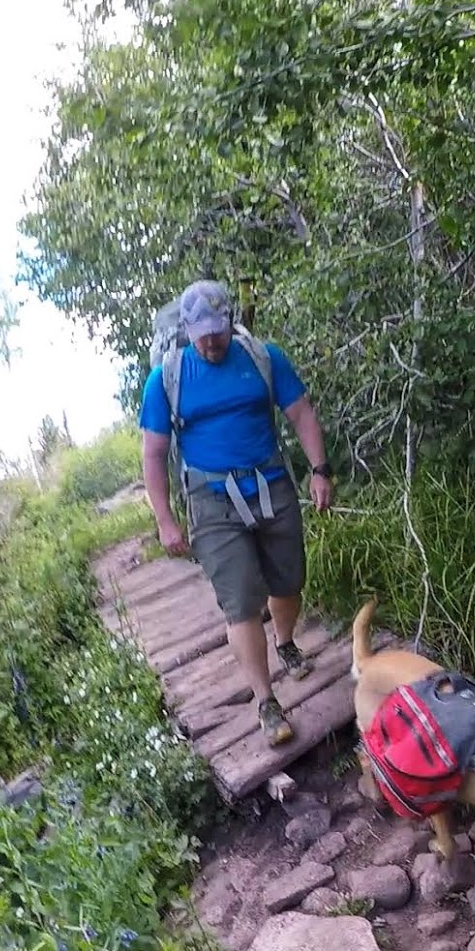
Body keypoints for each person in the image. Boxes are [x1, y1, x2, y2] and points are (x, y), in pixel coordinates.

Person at [139, 279, 336, 747]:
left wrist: (320, 469)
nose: (210, 340)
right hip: (211, 500)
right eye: (200, 331)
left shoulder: (262, 357)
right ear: (186, 328)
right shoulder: (167, 377)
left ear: (230, 320)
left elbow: (302, 414)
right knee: (241, 600)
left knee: (288, 582)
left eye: (217, 329)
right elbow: (153, 453)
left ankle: (285, 642)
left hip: (270, 483)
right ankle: (266, 701)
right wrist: (165, 519)